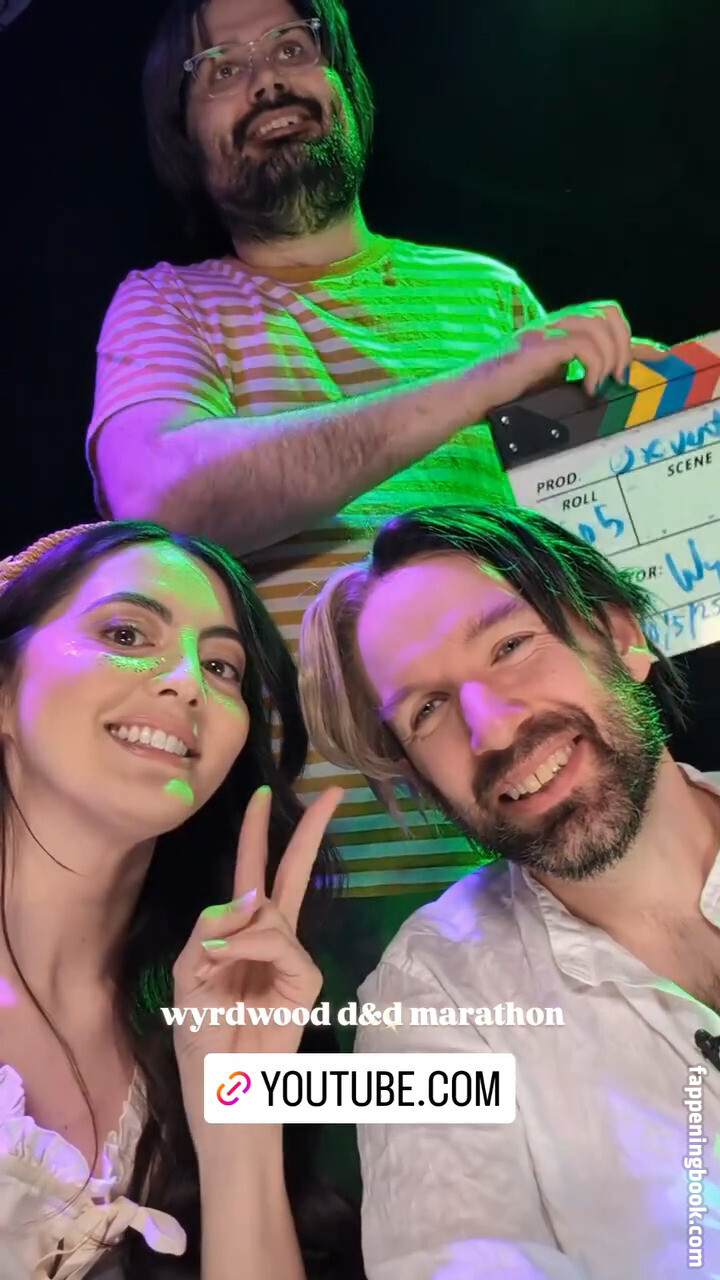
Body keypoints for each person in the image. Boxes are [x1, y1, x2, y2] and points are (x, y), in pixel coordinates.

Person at [85, 0, 665, 895]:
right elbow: (162, 498)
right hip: (305, 888)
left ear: (346, 86)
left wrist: (661, 441)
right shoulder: (166, 304)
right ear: (182, 133)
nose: (267, 79)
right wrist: (482, 382)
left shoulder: (487, 293)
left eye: (292, 46)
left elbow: (606, 574)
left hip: (550, 847)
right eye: (222, 68)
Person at [296, 504, 720, 1280]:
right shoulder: (427, 1000)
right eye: (427, 710)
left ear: (622, 636)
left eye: (510, 646)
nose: (489, 730)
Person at [0, 520, 364, 1280]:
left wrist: (239, 1119)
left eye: (223, 667)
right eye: (126, 633)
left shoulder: (207, 1019)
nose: (189, 681)